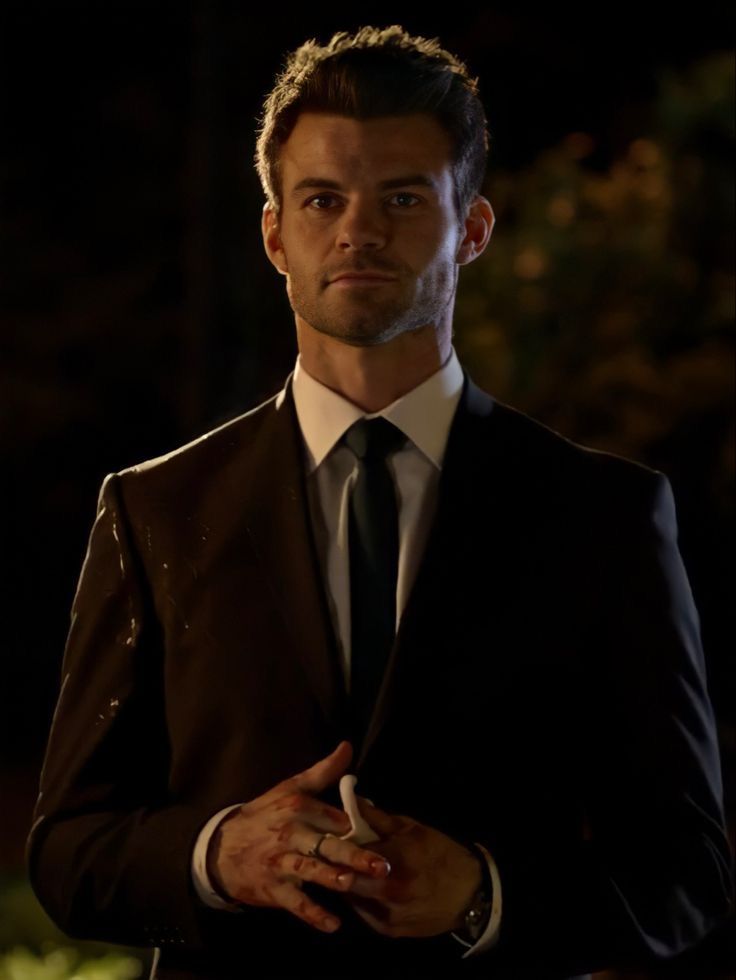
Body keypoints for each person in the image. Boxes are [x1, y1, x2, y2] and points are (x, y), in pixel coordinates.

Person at [27, 24, 732, 980]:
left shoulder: (604, 516)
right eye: (323, 199)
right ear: (276, 233)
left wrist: (485, 895)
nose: (358, 229)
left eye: (402, 198)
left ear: (472, 229)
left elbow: (686, 872)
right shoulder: (153, 511)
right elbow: (68, 851)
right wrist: (215, 855)